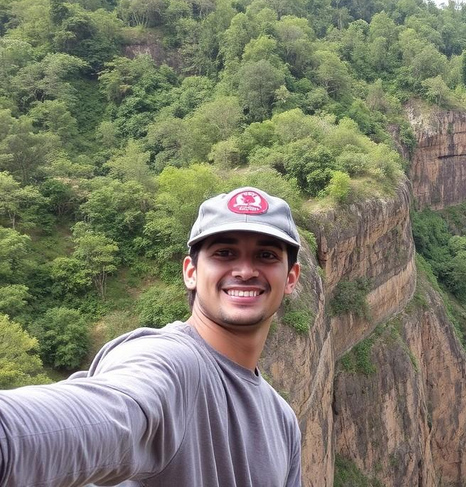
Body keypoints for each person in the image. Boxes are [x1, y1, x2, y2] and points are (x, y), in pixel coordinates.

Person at [0, 187, 303, 487]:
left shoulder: (283, 421)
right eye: (224, 253)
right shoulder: (171, 363)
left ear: (290, 277)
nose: (245, 270)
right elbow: (115, 411)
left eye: (266, 255)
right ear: (191, 272)